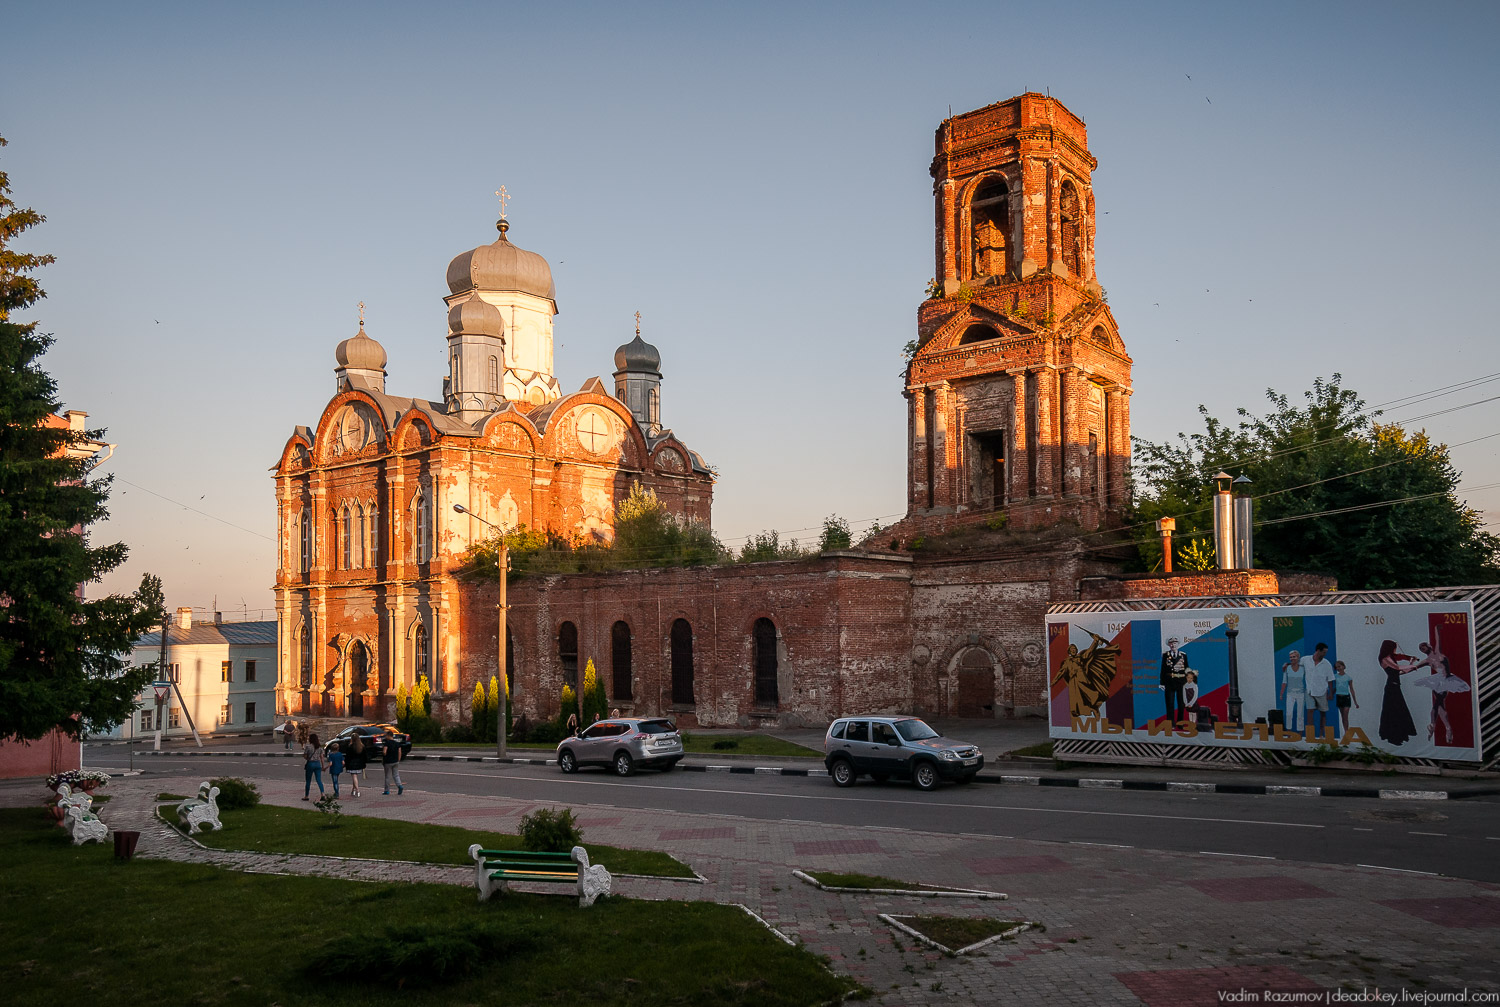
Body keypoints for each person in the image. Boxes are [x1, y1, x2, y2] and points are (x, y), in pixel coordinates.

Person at [1411, 638, 1470, 746]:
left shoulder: (1437, 653)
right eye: (1420, 649)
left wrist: (1436, 629)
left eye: (1423, 647)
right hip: (1437, 681)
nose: (1422, 649)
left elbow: (1438, 640)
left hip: (1446, 680)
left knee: (1439, 703)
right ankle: (1445, 728)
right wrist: (1401, 670)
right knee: (1439, 705)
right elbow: (1414, 667)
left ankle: (1436, 726)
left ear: (1428, 646)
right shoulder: (1427, 660)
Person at [1377, 640, 1419, 747]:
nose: (1395, 651)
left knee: (1399, 711)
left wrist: (1411, 664)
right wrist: (1411, 666)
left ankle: (1399, 735)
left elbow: (1400, 672)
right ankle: (1393, 737)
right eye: (1394, 648)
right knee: (1392, 711)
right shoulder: (1385, 659)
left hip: (1395, 687)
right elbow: (1398, 668)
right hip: (1391, 687)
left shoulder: (1391, 659)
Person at [1304, 643, 1335, 734]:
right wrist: (1287, 664)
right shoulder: (1305, 660)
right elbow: (1297, 665)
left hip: (1322, 691)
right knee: (1310, 711)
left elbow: (1330, 679)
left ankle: (1322, 733)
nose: (1325, 654)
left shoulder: (1326, 663)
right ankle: (1310, 734)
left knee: (1323, 712)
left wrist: (1331, 693)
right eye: (1324, 652)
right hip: (1309, 690)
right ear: (1318, 651)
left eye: (1326, 652)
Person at [1159, 637, 1191, 725]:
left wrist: (1188, 682)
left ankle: (1180, 723)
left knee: (1181, 704)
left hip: (1181, 682)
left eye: (1175, 643)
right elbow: (1163, 669)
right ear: (1169, 645)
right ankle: (1171, 724)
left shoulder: (1183, 655)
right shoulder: (1166, 655)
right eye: (1171, 643)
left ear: (1178, 644)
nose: (1173, 645)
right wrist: (1162, 683)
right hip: (1169, 682)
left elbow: (1187, 669)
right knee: (1170, 703)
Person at [1279, 649, 1306, 732]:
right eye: (1290, 657)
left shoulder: (1303, 668)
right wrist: (1281, 693)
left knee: (1300, 714)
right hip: (1290, 693)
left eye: (1294, 657)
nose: (1292, 658)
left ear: (1298, 657)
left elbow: (1308, 680)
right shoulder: (1287, 668)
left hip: (1301, 693)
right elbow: (1284, 682)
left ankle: (1300, 732)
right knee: (1289, 714)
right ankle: (1289, 731)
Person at [1332, 660, 1358, 730]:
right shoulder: (1335, 676)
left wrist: (1355, 702)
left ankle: (1346, 731)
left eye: (1339, 666)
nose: (1338, 668)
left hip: (1346, 697)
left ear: (1343, 666)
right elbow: (1335, 687)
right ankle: (1345, 730)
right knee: (1343, 716)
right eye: (1336, 667)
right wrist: (1331, 694)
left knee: (1346, 715)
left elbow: (1351, 689)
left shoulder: (1348, 678)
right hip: (1339, 697)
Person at [302, 733, 326, 800]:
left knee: (308, 780)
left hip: (310, 763)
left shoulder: (308, 747)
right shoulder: (320, 747)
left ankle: (306, 796)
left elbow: (305, 756)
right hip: (318, 764)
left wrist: (307, 758)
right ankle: (323, 794)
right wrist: (323, 766)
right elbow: (322, 758)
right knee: (319, 780)